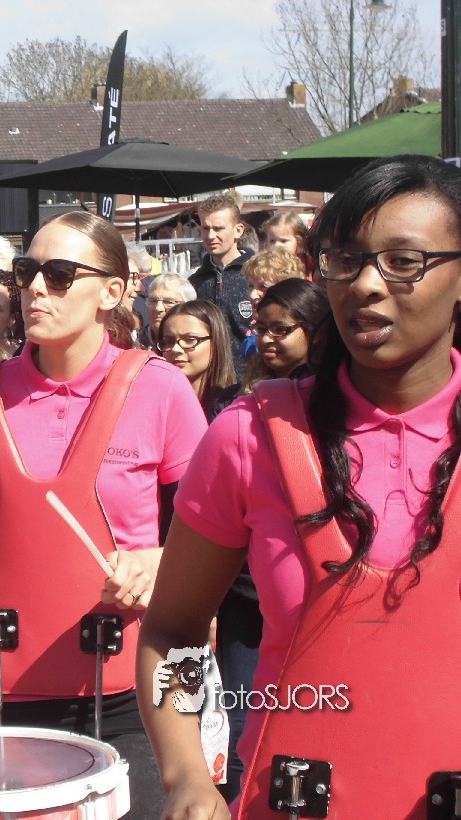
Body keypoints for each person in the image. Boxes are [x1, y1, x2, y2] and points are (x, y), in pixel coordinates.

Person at [138, 155, 461, 818]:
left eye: (403, 262)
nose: (366, 284)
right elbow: (171, 628)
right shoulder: (250, 434)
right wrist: (187, 775)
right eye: (345, 260)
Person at [0, 211, 208, 820]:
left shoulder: (161, 389)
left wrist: (155, 560)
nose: (35, 288)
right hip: (0, 690)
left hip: (135, 692)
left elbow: (208, 543)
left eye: (58, 275)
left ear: (112, 291)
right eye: (26, 271)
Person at [204, 277, 330, 800]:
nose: (267, 339)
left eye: (283, 329)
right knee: (242, 722)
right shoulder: (242, 403)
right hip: (242, 592)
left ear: (316, 332)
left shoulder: (331, 407)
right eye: (262, 328)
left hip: (309, 595)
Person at [190, 195, 255, 376]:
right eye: (206, 228)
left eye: (218, 228)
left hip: (251, 380)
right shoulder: (195, 282)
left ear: (238, 230)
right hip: (210, 381)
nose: (211, 236)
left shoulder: (257, 276)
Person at [157, 300, 237, 422]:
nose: (175, 349)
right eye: (168, 341)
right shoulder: (154, 405)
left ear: (216, 343)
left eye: (190, 339)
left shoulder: (234, 407)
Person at [142, 273, 196, 350]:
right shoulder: (135, 342)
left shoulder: (194, 345)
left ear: (187, 307)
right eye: (153, 300)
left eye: (168, 302)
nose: (158, 308)